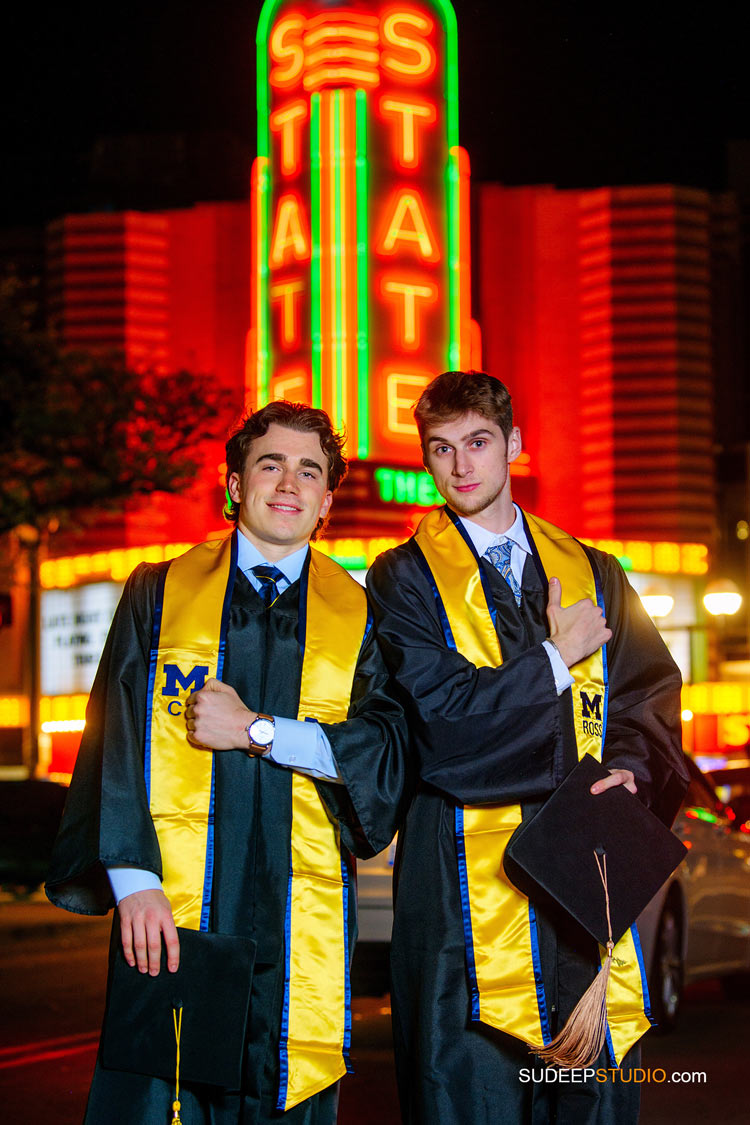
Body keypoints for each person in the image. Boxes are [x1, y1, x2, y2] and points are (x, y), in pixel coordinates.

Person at [46, 401, 409, 1125]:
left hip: (295, 920)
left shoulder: (361, 615)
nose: (288, 482)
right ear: (236, 484)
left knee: (286, 1091)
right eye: (269, 463)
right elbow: (111, 737)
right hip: (174, 914)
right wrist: (134, 879)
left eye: (310, 470)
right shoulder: (161, 591)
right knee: (161, 1098)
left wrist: (259, 731)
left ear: (327, 500)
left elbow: (385, 753)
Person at [366, 370, 689, 1125]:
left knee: (589, 1101)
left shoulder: (591, 570)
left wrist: (633, 770)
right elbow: (439, 728)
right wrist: (551, 657)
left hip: (581, 886)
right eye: (440, 449)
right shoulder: (403, 580)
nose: (460, 467)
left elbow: (646, 692)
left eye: (478, 443)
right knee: (471, 1096)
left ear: (513, 442)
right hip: (457, 903)